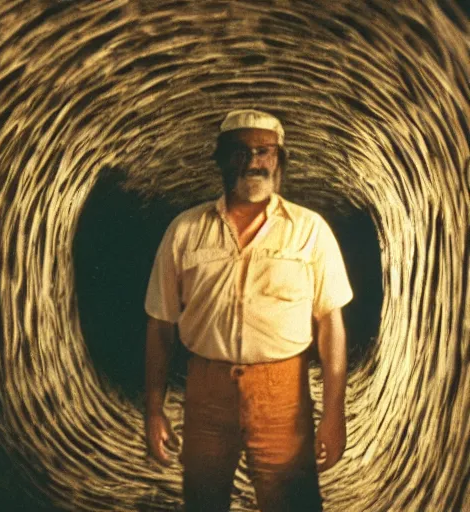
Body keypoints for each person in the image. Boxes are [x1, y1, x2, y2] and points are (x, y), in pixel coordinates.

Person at [143, 109, 353, 511]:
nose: (253, 161)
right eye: (240, 151)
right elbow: (160, 324)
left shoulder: (310, 230)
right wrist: (154, 411)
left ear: (279, 159)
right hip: (206, 392)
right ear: (221, 159)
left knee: (292, 501)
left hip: (283, 396)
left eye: (264, 151)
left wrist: (333, 413)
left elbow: (331, 325)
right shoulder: (184, 230)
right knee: (203, 500)